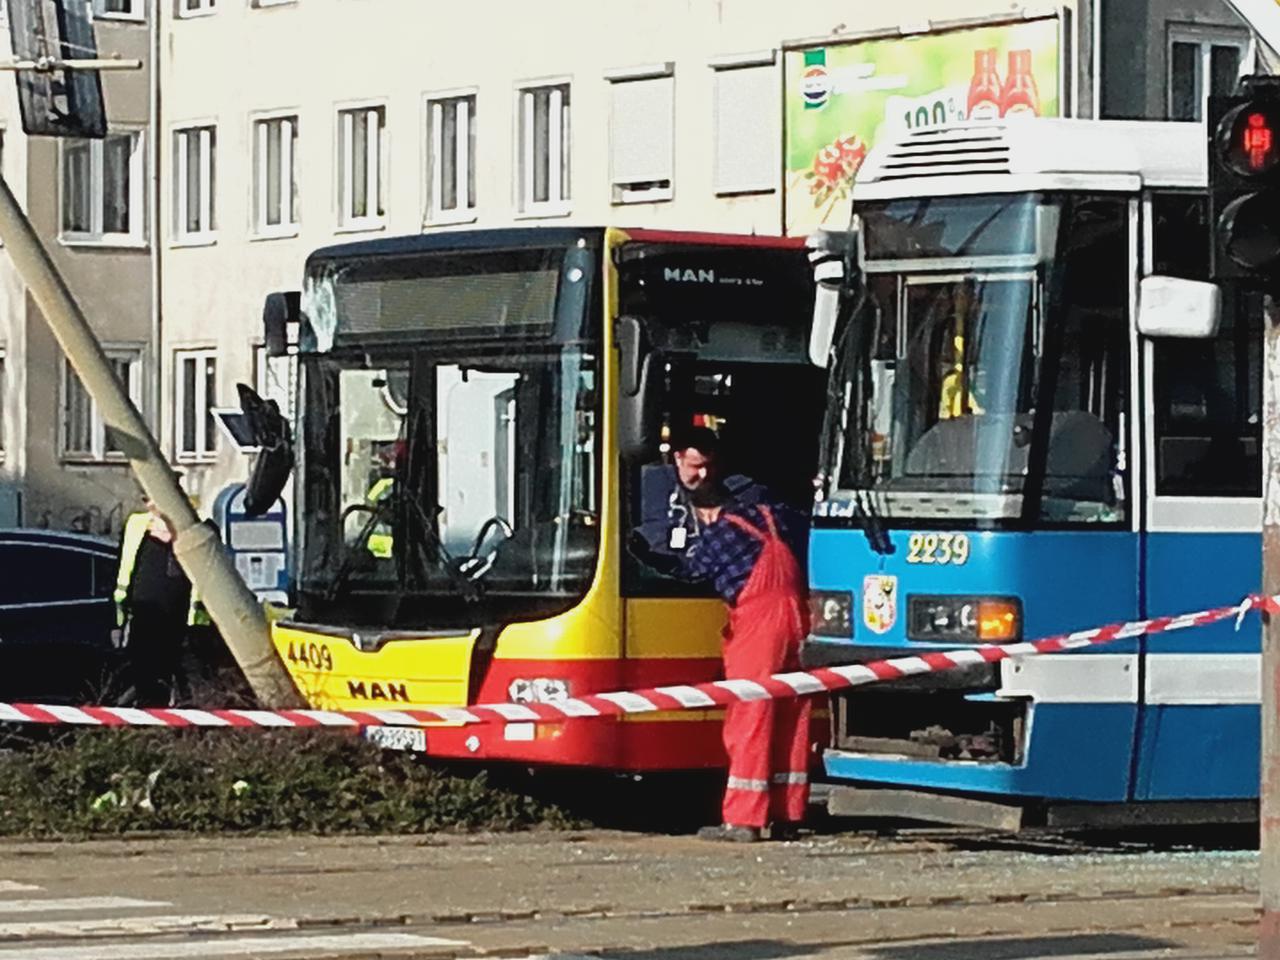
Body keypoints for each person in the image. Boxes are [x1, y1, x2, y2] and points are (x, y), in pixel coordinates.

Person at [681, 480, 812, 843]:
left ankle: (743, 818)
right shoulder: (778, 518)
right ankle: (789, 812)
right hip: (799, 617)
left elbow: (693, 572)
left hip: (759, 625)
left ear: (704, 512)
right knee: (793, 714)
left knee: (750, 716)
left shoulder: (720, 532)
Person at [114, 496, 206, 705]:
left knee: (194, 696)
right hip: (145, 623)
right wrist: (118, 623)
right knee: (148, 689)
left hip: (188, 631)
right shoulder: (136, 527)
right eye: (146, 498)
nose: (151, 504)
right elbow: (122, 574)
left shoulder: (198, 532)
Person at [636, 426, 761, 559]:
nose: (704, 474)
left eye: (710, 465)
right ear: (678, 458)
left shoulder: (737, 490)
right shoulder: (650, 484)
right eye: (696, 466)